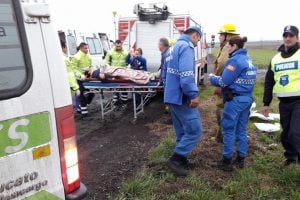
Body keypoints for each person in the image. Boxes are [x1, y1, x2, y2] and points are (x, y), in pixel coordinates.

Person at [209, 35, 257, 171]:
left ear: (234, 46)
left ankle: (226, 161)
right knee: (241, 129)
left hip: (235, 100)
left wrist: (212, 78)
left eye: (229, 46)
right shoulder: (249, 60)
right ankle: (241, 159)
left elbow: (224, 82)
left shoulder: (234, 61)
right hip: (247, 98)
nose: (227, 48)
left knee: (228, 129)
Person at [164, 25, 203, 176]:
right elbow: (186, 75)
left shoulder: (174, 47)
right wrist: (193, 94)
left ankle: (181, 160)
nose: (197, 42)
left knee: (181, 130)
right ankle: (176, 159)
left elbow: (167, 73)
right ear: (194, 36)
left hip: (172, 95)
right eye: (198, 39)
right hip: (182, 96)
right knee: (195, 130)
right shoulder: (187, 47)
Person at [262, 25, 300, 166]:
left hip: (299, 102)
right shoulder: (276, 59)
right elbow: (268, 81)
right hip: (284, 103)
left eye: (291, 35)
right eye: (286, 36)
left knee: (296, 134)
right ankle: (291, 158)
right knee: (286, 134)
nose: (288, 38)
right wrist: (266, 103)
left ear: (297, 38)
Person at [214, 24, 240, 143]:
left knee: (222, 109)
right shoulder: (234, 47)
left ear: (227, 35)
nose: (219, 37)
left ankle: (223, 137)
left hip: (225, 86)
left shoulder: (226, 48)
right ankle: (222, 136)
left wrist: (218, 84)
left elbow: (221, 65)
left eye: (221, 35)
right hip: (233, 86)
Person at [72, 42, 94, 116]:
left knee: (92, 93)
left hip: (88, 78)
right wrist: (81, 76)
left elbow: (91, 65)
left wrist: (91, 70)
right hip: (79, 79)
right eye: (85, 48)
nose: (87, 49)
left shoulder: (88, 56)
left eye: (87, 48)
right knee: (82, 94)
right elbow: (73, 69)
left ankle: (81, 107)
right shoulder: (76, 57)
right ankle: (84, 113)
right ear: (81, 48)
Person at [105, 40, 129, 104]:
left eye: (119, 46)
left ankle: (124, 101)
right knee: (114, 86)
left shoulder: (126, 52)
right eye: (117, 46)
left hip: (123, 72)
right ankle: (115, 100)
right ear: (115, 45)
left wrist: (127, 68)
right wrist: (109, 69)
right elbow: (106, 62)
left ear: (121, 45)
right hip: (114, 72)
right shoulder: (110, 52)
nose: (118, 47)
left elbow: (129, 62)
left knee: (124, 86)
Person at [61, 41, 80, 111]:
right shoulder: (64, 59)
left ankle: (77, 108)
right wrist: (75, 88)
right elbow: (69, 74)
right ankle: (77, 108)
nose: (67, 49)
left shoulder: (58, 57)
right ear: (63, 48)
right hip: (69, 85)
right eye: (66, 47)